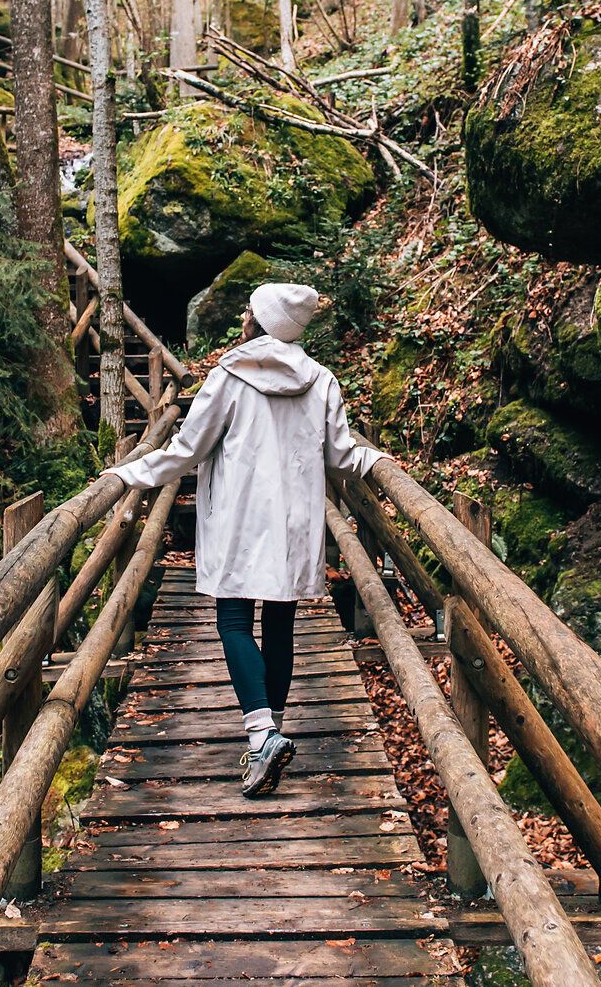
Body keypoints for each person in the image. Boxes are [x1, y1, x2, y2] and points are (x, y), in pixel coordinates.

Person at [100, 282, 390, 796]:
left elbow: (188, 449)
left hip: (238, 519)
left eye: (248, 311)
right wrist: (379, 461)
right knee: (280, 623)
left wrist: (129, 474)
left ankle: (262, 735)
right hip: (294, 525)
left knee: (234, 619)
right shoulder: (322, 381)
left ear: (259, 321)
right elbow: (344, 456)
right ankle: (268, 738)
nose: (242, 318)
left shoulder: (229, 375)